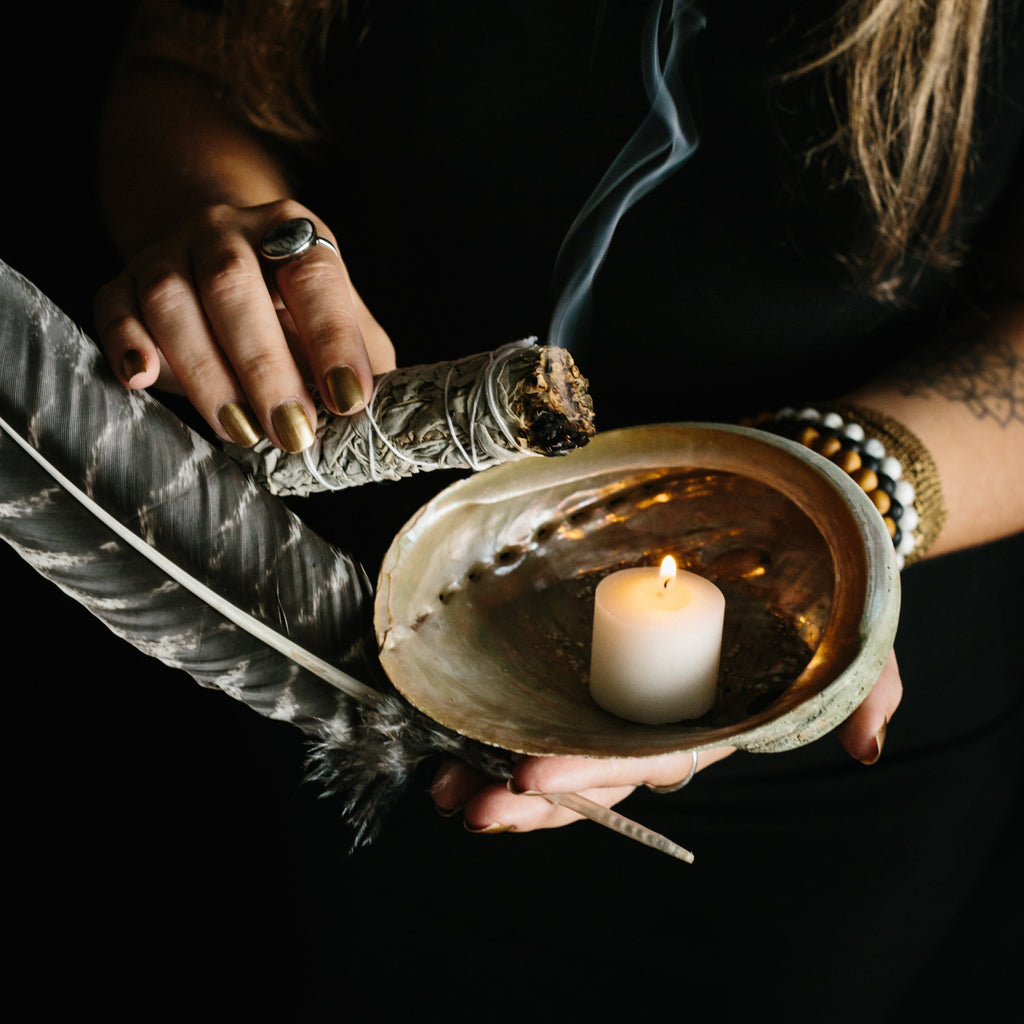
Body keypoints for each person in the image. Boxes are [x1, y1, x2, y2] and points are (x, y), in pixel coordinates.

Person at [84, 0, 1021, 1017]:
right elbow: (185, 68)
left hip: (827, 732)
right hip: (319, 634)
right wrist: (218, 226)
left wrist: (836, 494)